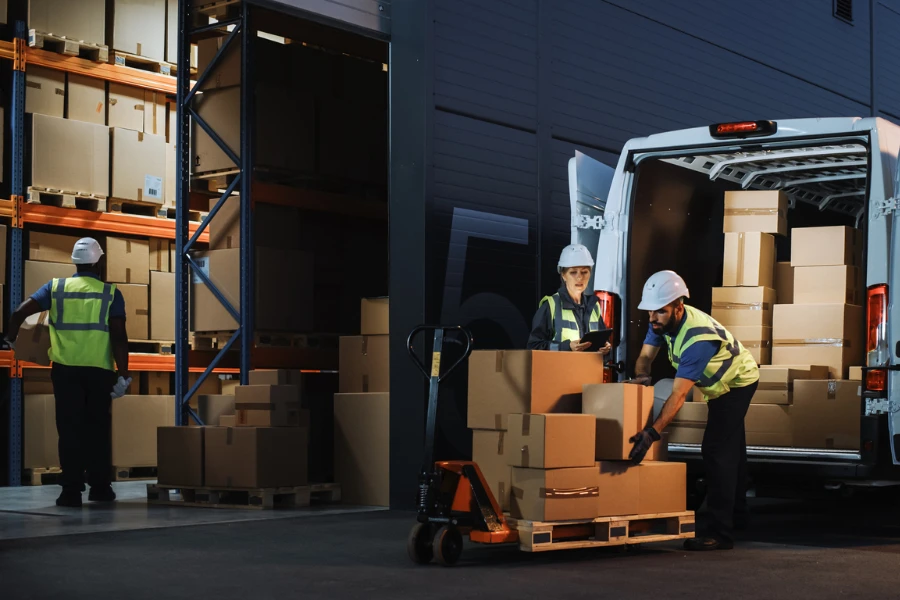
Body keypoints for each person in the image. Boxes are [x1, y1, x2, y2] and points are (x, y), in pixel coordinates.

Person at [626, 270, 759, 551]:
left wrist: (653, 432)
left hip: (736, 383)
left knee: (716, 451)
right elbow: (645, 357)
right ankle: (739, 515)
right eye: (650, 312)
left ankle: (720, 534)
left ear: (678, 307)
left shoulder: (697, 340)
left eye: (659, 312)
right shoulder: (661, 321)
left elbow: (680, 394)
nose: (652, 318)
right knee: (732, 448)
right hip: (719, 384)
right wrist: (641, 376)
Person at [5, 238, 132, 508]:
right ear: (99, 261)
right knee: (97, 429)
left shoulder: (55, 288)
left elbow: (19, 312)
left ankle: (71, 492)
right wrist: (123, 374)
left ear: (76, 261)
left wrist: (13, 340)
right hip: (100, 372)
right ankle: (100, 488)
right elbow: (119, 337)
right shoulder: (111, 293)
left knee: (70, 430)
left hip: (65, 372)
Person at [527, 244, 612, 355]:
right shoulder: (551, 306)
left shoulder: (594, 306)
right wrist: (566, 347)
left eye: (584, 272)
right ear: (563, 275)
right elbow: (534, 347)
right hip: (561, 372)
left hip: (588, 371)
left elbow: (602, 344)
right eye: (573, 272)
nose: (579, 277)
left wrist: (605, 348)